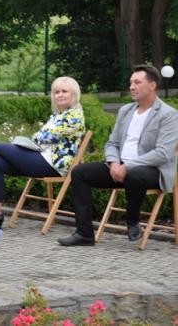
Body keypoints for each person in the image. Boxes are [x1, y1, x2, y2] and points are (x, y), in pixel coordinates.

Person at [58, 65, 178, 246]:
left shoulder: (168, 114)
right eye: (131, 83)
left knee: (135, 175)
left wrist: (127, 167)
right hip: (119, 167)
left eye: (137, 82)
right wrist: (114, 163)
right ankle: (84, 234)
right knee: (79, 172)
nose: (132, 87)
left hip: (152, 170)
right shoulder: (126, 110)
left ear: (152, 85)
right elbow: (112, 143)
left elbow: (162, 153)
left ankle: (132, 221)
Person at [0, 76, 86, 228]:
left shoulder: (75, 115)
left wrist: (39, 137)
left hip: (53, 164)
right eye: (57, 92)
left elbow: (46, 137)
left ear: (74, 93)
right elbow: (41, 137)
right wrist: (39, 137)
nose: (60, 95)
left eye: (64, 91)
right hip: (41, 157)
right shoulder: (57, 116)